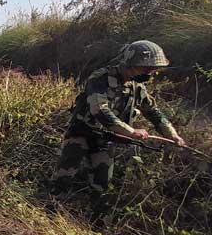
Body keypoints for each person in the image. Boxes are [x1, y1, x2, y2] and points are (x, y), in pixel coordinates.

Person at [51, 40, 186, 216]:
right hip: (82, 132)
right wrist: (131, 132)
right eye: (146, 68)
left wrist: (173, 134)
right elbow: (99, 110)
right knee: (65, 174)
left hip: (105, 140)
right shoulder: (100, 78)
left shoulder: (136, 87)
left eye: (152, 69)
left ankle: (94, 223)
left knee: (102, 183)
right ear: (130, 64)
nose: (151, 73)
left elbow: (153, 112)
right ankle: (51, 211)